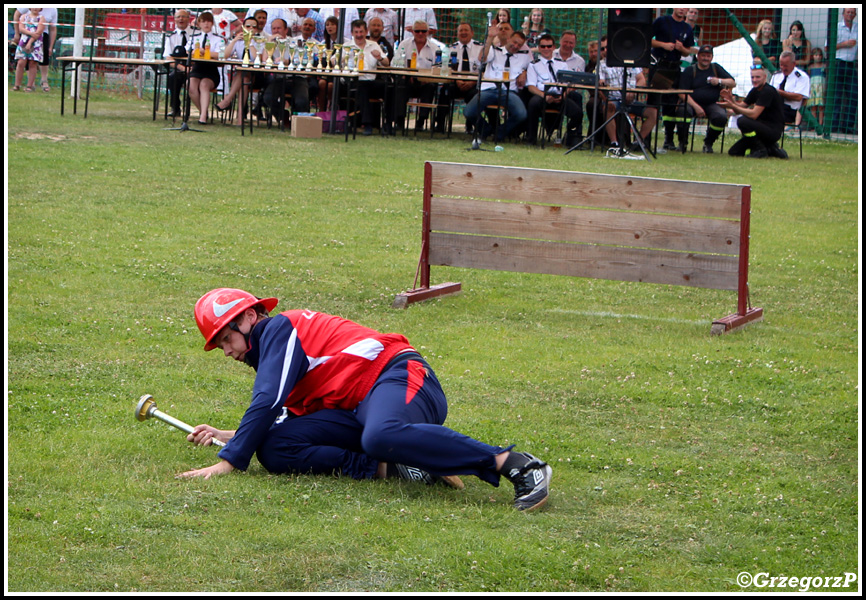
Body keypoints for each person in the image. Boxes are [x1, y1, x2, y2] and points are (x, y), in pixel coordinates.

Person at [180, 288, 553, 512]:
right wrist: (229, 434)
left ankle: (517, 464)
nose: (227, 351)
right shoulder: (273, 358)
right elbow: (280, 419)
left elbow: (267, 401)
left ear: (248, 318)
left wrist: (228, 462)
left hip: (400, 376)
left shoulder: (279, 328)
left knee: (381, 433)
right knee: (276, 448)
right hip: (359, 409)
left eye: (226, 340)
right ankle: (397, 468)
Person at [462, 23, 530, 144]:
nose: (515, 46)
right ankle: (486, 129)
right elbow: (481, 59)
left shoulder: (524, 57)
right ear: (508, 39)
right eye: (514, 42)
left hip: (509, 92)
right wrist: (489, 38)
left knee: (521, 114)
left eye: (519, 45)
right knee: (468, 112)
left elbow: (532, 68)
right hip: (489, 89)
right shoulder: (494, 50)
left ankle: (500, 133)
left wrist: (525, 72)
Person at [650, 7, 695, 153]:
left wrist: (682, 48)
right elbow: (646, 39)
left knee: (670, 103)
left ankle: (668, 139)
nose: (682, 10)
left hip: (674, 68)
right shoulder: (661, 21)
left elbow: (689, 50)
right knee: (653, 101)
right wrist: (663, 45)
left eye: (685, 8)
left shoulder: (687, 28)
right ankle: (646, 138)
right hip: (658, 65)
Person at [524, 33, 582, 146]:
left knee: (577, 113)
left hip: (560, 96)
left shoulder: (562, 65)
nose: (546, 49)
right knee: (532, 104)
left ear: (554, 47)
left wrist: (564, 95)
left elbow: (569, 85)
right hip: (542, 95)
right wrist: (544, 96)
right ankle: (531, 139)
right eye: (543, 46)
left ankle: (569, 136)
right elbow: (531, 86)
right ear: (539, 48)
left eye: (549, 46)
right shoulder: (533, 65)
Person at [719, 65, 787, 159]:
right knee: (734, 152)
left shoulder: (767, 91)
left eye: (757, 77)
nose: (754, 80)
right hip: (760, 128)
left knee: (743, 121)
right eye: (752, 77)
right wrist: (730, 100)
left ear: (765, 77)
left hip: (772, 130)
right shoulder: (755, 90)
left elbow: (754, 114)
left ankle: (760, 150)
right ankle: (770, 148)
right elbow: (740, 108)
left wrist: (732, 105)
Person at [677, 44, 735, 153]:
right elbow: (682, 93)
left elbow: (732, 82)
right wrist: (696, 107)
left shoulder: (716, 68)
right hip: (692, 103)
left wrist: (719, 81)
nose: (705, 58)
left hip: (712, 103)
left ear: (712, 57)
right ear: (698, 56)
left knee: (721, 116)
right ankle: (682, 142)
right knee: (683, 111)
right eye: (703, 55)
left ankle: (708, 143)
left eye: (708, 56)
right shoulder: (690, 70)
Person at [598, 50, 657, 154]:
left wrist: (632, 92)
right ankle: (614, 143)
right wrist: (606, 98)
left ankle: (638, 142)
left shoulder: (632, 62)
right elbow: (600, 83)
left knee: (653, 112)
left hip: (630, 101)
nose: (606, 50)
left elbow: (641, 80)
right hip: (614, 99)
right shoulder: (602, 64)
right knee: (609, 107)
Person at [344, 19, 390, 136]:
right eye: (356, 32)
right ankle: (368, 124)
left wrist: (379, 58)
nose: (359, 35)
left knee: (390, 88)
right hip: (354, 81)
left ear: (366, 32)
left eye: (361, 32)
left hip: (371, 80)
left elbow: (386, 63)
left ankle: (389, 123)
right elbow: (334, 61)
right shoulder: (347, 46)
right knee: (362, 88)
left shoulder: (373, 45)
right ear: (352, 33)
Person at [393, 21, 441, 132]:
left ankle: (421, 121)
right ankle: (399, 121)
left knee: (431, 87)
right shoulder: (404, 44)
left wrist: (427, 78)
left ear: (428, 32)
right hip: (407, 80)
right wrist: (405, 75)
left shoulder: (435, 48)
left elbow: (438, 69)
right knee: (399, 86)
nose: (420, 33)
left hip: (426, 82)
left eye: (423, 31)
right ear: (412, 32)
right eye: (417, 31)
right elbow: (395, 64)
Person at [187, 12, 225, 125]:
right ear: (199, 23)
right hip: (197, 69)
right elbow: (187, 50)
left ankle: (203, 116)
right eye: (203, 21)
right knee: (191, 85)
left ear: (212, 23)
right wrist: (193, 51)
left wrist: (207, 52)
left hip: (211, 71)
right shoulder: (194, 37)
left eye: (208, 21)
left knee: (204, 85)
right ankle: (202, 110)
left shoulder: (218, 39)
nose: (206, 24)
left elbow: (221, 54)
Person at [12, 7, 57, 92]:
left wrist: (30, 42)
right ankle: (17, 85)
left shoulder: (42, 18)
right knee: (21, 62)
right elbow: (21, 28)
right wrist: (27, 34)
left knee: (33, 63)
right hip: (24, 41)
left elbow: (39, 32)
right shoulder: (24, 17)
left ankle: (30, 86)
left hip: (36, 42)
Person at [827, 7, 857, 135]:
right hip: (838, 64)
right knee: (836, 96)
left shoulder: (858, 28)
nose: (850, 14)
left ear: (855, 14)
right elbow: (827, 47)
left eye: (852, 12)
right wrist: (845, 44)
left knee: (853, 96)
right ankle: (832, 126)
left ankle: (848, 127)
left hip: (852, 64)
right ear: (843, 14)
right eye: (848, 12)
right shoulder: (837, 27)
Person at [164, 9, 194, 118]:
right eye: (178, 17)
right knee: (172, 78)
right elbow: (168, 58)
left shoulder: (197, 34)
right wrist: (182, 68)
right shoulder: (170, 37)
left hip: (195, 68)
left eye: (183, 16)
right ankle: (175, 108)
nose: (181, 19)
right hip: (179, 68)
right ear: (174, 19)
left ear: (189, 18)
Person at [769, 50, 810, 127]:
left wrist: (779, 93)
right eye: (781, 65)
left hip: (790, 110)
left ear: (794, 64)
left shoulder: (801, 77)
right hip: (774, 106)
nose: (783, 68)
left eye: (786, 66)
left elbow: (798, 97)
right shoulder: (776, 75)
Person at [807, 47, 826, 130]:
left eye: (819, 55)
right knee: (813, 106)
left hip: (821, 87)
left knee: (821, 107)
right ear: (812, 56)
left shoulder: (824, 66)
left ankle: (821, 124)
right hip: (813, 87)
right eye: (816, 55)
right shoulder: (810, 67)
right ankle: (814, 125)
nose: (818, 57)